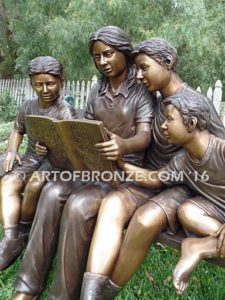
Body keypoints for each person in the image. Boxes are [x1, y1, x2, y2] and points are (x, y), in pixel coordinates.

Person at [12, 26, 155, 300]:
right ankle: (27, 287)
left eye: (108, 54)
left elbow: (145, 135)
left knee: (78, 205)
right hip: (91, 167)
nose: (102, 61)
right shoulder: (96, 89)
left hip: (122, 174)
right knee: (53, 192)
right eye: (97, 57)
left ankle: (62, 295)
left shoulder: (141, 90)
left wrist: (123, 144)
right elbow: (85, 125)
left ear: (124, 52)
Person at [80, 37, 225, 300]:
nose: (138, 75)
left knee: (146, 220)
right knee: (112, 204)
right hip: (152, 177)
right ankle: (90, 292)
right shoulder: (155, 100)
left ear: (168, 63)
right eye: (136, 68)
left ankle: (108, 291)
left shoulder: (195, 102)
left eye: (144, 67)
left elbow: (217, 148)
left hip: (184, 185)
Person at [117, 93, 225, 296]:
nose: (163, 126)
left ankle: (200, 248)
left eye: (169, 119)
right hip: (215, 214)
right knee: (186, 211)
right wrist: (121, 164)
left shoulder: (221, 149)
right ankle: (209, 244)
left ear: (191, 123)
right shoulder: (182, 161)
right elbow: (154, 178)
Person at [0, 56, 77, 271]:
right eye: (38, 84)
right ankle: (10, 237)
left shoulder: (64, 111)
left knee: (34, 184)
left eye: (50, 83)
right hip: (32, 158)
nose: (44, 89)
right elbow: (17, 129)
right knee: (8, 182)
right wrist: (12, 150)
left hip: (55, 163)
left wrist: (53, 149)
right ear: (31, 84)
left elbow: (70, 149)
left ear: (61, 82)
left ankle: (24, 230)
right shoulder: (28, 106)